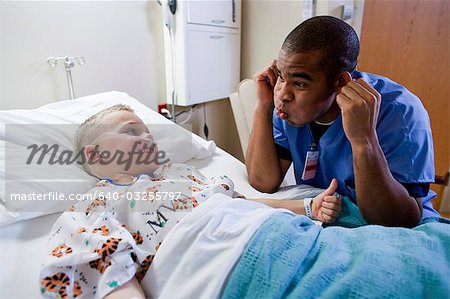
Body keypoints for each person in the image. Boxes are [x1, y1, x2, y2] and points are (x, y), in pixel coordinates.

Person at [39, 105, 342, 298]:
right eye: (131, 131)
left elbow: (241, 202)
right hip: (227, 263)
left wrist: (306, 206)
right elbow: (105, 268)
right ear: (93, 154)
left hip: (284, 233)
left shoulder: (180, 173)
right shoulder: (93, 205)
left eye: (147, 131)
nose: (147, 137)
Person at [246, 15, 439, 228]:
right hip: (324, 217)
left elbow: (400, 220)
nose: (282, 94)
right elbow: (263, 182)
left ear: (340, 82)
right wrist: (263, 107)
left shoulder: (401, 112)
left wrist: (364, 140)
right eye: (281, 76)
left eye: (299, 83)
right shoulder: (287, 105)